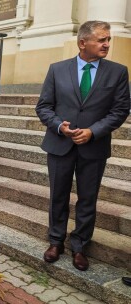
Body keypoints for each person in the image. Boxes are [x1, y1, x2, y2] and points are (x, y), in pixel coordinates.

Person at [36, 21, 130, 271]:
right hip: (60, 145)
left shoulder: (118, 72)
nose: (107, 44)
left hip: (94, 148)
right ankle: (56, 241)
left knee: (88, 199)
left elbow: (120, 110)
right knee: (58, 196)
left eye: (108, 39)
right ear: (82, 43)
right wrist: (59, 127)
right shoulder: (57, 70)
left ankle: (80, 246)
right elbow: (44, 106)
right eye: (101, 40)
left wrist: (93, 131)